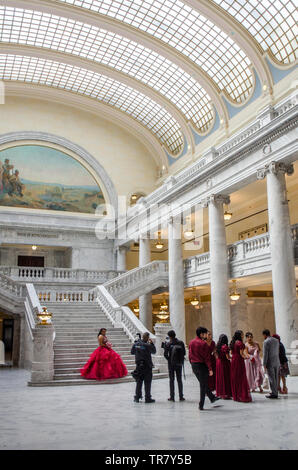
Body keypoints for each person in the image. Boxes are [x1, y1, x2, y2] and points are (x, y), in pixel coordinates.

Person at [189, 326, 220, 410]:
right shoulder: (203, 344)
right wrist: (210, 369)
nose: (206, 335)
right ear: (201, 334)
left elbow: (190, 355)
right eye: (205, 333)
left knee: (203, 384)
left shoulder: (191, 342)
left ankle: (212, 397)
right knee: (203, 386)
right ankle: (201, 404)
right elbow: (207, 358)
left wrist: (191, 365)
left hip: (194, 365)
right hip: (202, 366)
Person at [131, 332, 156, 403]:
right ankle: (147, 397)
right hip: (147, 366)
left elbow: (132, 352)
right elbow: (154, 351)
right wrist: (151, 343)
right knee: (147, 382)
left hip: (139, 366)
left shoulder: (136, 344)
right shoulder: (147, 345)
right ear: (147, 337)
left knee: (139, 382)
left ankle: (137, 397)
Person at [163, 330, 186, 402]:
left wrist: (169, 359)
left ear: (169, 336)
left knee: (171, 380)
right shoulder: (181, 342)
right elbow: (184, 353)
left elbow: (165, 354)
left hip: (171, 364)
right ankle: (181, 396)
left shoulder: (168, 344)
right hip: (179, 364)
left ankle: (172, 397)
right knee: (179, 380)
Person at [230, 330, 252, 403]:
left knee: (235, 377)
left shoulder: (233, 342)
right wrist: (247, 357)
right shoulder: (240, 343)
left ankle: (236, 395)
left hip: (233, 360)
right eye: (242, 334)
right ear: (240, 335)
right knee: (241, 377)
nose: (243, 336)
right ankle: (242, 395)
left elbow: (231, 352)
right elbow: (241, 354)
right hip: (239, 361)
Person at [262, 329, 280, 399]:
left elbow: (265, 354)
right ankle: (276, 392)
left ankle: (274, 393)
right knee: (275, 377)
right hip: (276, 361)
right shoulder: (276, 340)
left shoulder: (266, 342)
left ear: (264, 335)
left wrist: (264, 364)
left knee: (271, 378)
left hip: (270, 362)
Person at [215, 334, 232, 400]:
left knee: (220, 377)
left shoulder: (217, 346)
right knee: (225, 378)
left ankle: (220, 393)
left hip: (219, 362)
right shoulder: (225, 347)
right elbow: (228, 357)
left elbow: (216, 355)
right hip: (225, 363)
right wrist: (232, 357)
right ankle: (226, 393)